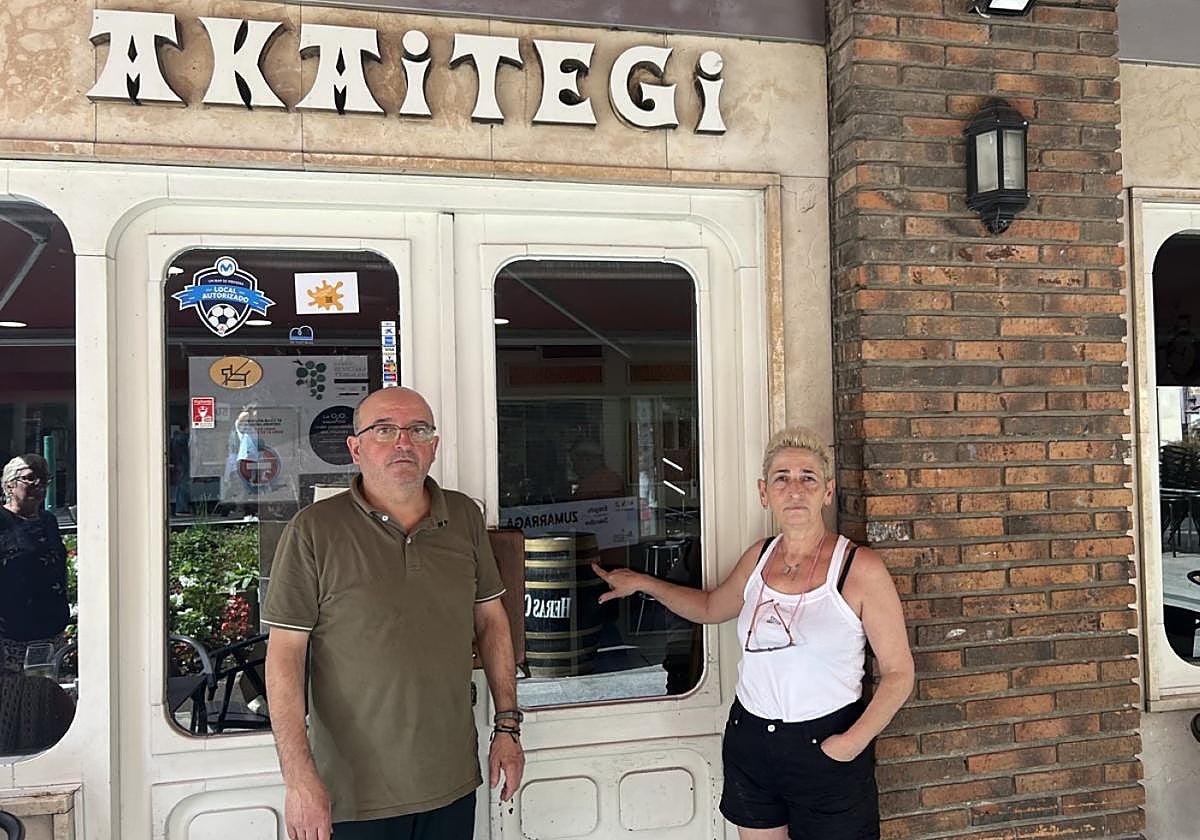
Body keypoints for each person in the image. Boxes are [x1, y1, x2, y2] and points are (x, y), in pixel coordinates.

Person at [593, 428, 913, 840]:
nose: (794, 489)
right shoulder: (759, 557)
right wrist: (643, 583)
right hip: (752, 741)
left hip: (827, 744)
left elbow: (899, 673)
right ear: (764, 492)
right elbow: (710, 607)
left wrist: (851, 743)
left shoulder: (858, 567)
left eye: (808, 477)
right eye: (781, 478)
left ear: (827, 491)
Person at [263, 386, 523, 840]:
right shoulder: (314, 530)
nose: (403, 442)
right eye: (384, 430)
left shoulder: (463, 517)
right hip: (352, 795)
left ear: (433, 446)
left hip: (450, 782)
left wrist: (507, 727)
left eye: (418, 430)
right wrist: (299, 778)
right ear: (355, 448)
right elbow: (285, 656)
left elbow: (492, 621)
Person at [0, 454, 70, 676]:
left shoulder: (48, 520)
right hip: (11, 636)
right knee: (15, 694)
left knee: (46, 691)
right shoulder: (2, 521)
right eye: (30, 478)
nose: (38, 484)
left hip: (51, 630)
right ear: (10, 485)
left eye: (43, 478)